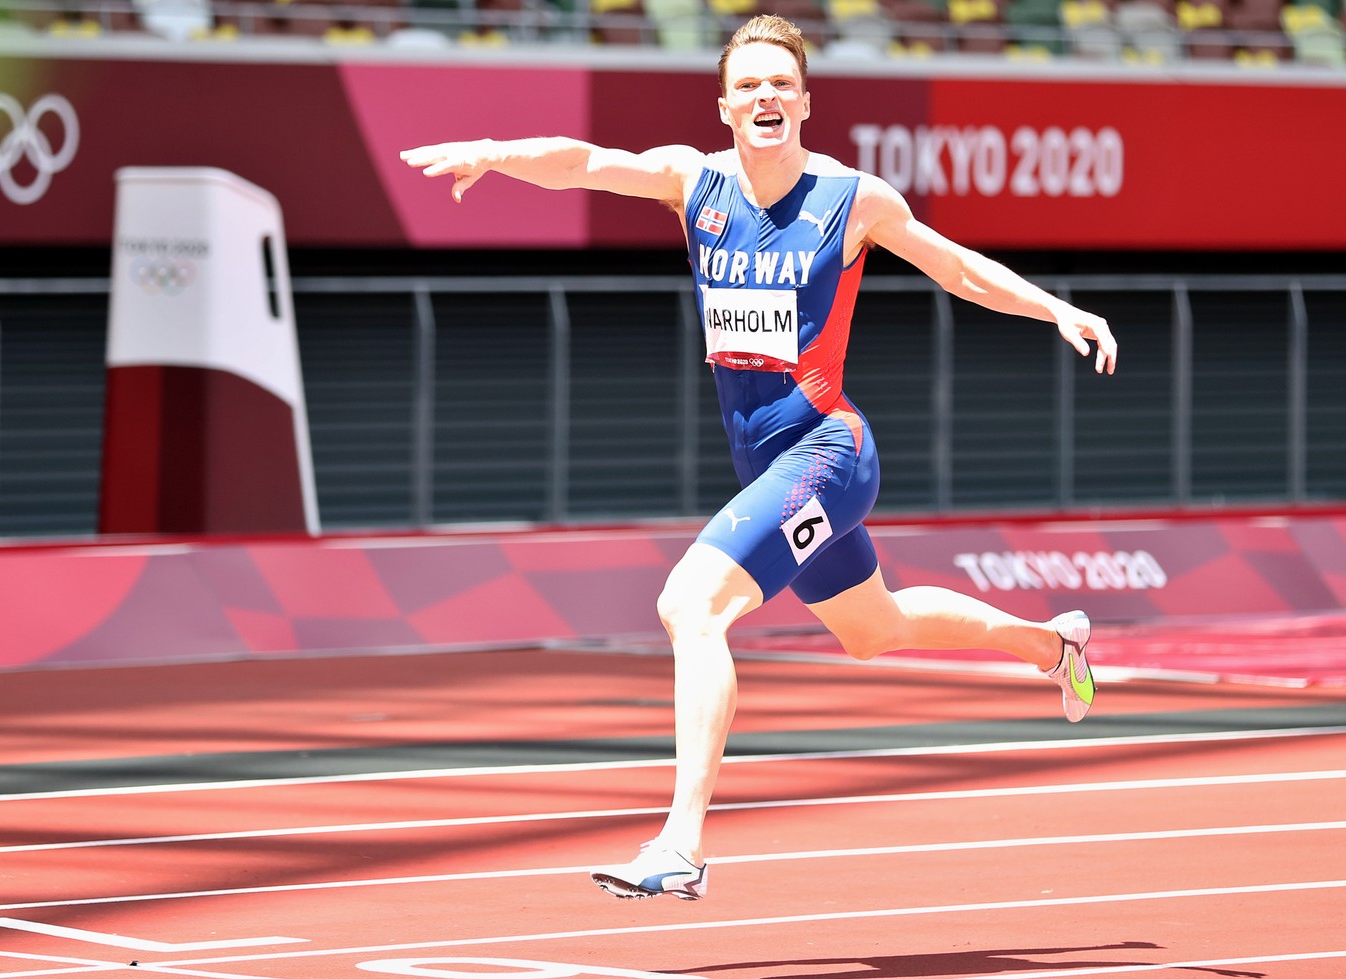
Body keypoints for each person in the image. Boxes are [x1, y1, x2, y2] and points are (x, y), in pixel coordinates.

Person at [400, 13, 1117, 903]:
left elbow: (956, 269)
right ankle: (1057, 647)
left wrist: (1056, 309)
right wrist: (497, 151)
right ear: (725, 106)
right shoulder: (693, 183)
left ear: (807, 102)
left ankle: (680, 846)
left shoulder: (852, 199)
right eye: (749, 85)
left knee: (691, 607)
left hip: (829, 450)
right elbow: (584, 161)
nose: (766, 96)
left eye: (782, 82)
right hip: (766, 468)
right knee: (874, 630)